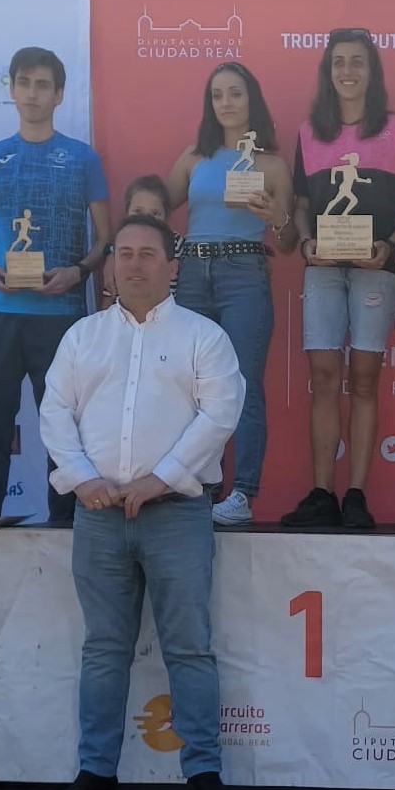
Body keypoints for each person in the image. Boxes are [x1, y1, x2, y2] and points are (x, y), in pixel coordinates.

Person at [40, 214, 244, 790]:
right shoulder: (83, 337)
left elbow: (220, 414)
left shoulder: (204, 336)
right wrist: (82, 479)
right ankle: (96, 771)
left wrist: (163, 477)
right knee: (104, 648)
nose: (133, 264)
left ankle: (203, 771)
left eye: (147, 254)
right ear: (110, 265)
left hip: (177, 514)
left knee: (189, 647)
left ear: (172, 267)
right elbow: (55, 412)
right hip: (99, 515)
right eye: (123, 253)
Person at [0, 46, 111, 579]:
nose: (33, 93)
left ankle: (64, 532)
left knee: (62, 431)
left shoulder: (83, 158)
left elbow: (105, 238)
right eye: (25, 83)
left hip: (61, 315)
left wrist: (79, 272)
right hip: (1, 312)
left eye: (44, 85)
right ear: (12, 89)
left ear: (59, 94)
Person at [280, 28, 395, 529]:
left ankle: (356, 495)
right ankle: (322, 493)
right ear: (328, 71)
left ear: (372, 71)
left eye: (357, 62)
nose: (347, 71)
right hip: (322, 271)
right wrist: (305, 243)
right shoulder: (308, 132)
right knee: (323, 379)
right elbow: (301, 205)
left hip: (375, 272)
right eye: (338, 62)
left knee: (364, 380)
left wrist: (390, 247)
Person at [167, 62, 295, 526]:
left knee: (242, 385)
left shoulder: (272, 165)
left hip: (245, 274)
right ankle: (197, 487)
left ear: (251, 99)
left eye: (235, 93)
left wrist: (276, 217)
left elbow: (288, 241)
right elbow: (155, 209)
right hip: (193, 276)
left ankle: (241, 493)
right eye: (217, 95)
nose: (226, 103)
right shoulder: (192, 158)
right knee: (191, 387)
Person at [101, 175, 177, 305]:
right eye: (138, 211)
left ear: (166, 215)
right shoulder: (119, 249)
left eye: (155, 214)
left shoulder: (178, 245)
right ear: (127, 212)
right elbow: (109, 293)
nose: (146, 219)